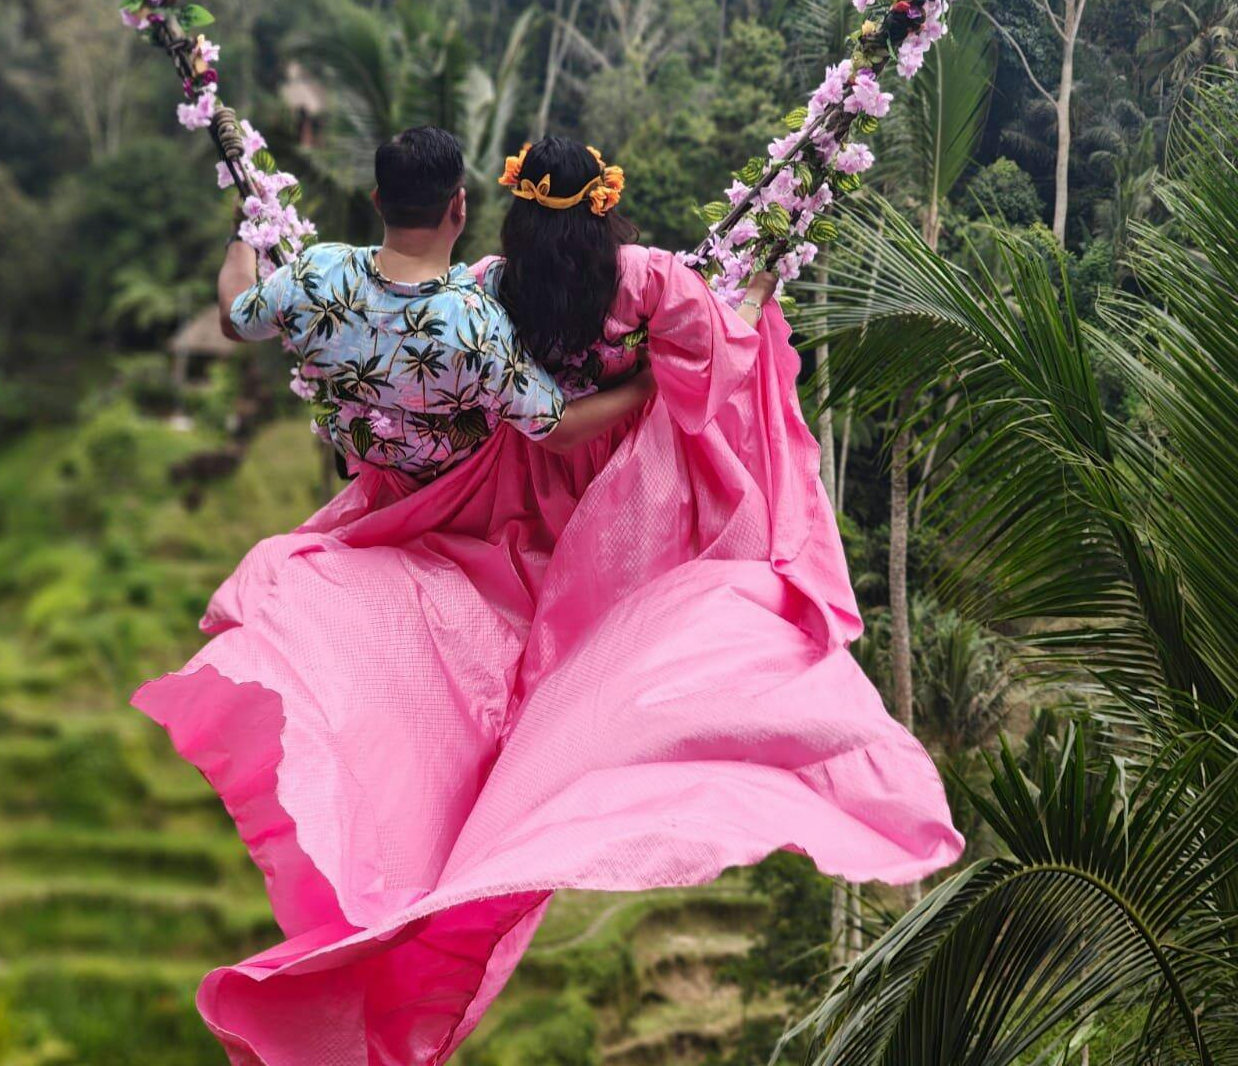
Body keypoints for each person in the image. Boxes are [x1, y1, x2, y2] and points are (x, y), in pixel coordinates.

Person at [133, 131, 963, 1066]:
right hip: (620, 498)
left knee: (492, 672)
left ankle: (426, 853)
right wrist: (695, 338)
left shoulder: (473, 288)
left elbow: (243, 311)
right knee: (610, 663)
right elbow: (688, 366)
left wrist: (246, 225)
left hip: (507, 497)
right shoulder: (615, 287)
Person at [213, 125, 655, 476]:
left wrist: (243, 234)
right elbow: (559, 430)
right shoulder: (478, 327)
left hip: (366, 481)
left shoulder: (314, 274)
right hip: (454, 506)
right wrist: (646, 384)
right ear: (459, 206)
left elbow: (235, 319)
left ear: (378, 201)